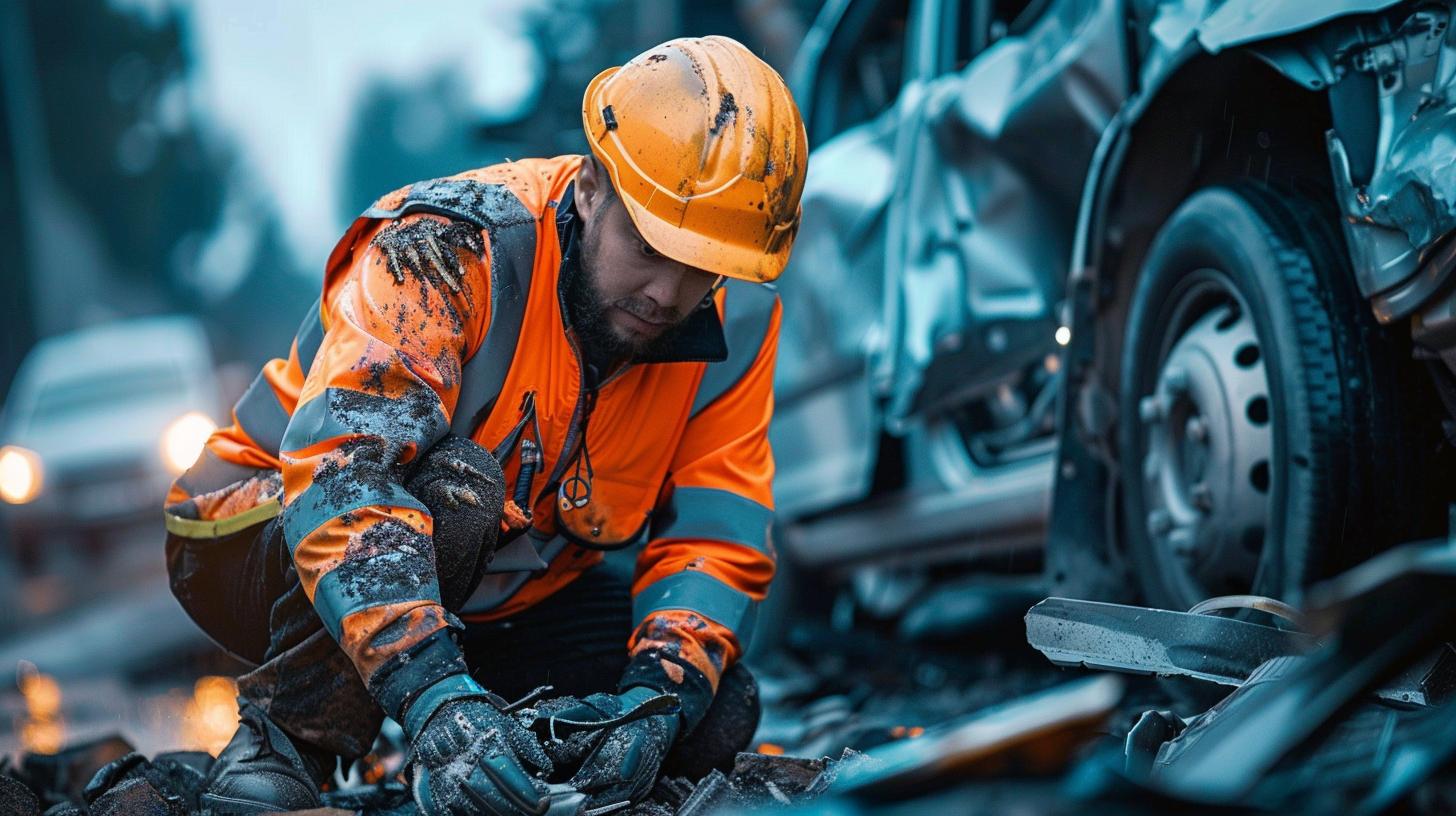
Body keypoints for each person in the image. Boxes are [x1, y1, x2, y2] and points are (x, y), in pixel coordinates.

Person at [161, 35, 806, 815]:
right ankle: (283, 745)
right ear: (594, 187)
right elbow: (340, 474)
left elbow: (716, 534)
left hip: (487, 581)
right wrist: (435, 701)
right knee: (457, 491)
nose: (668, 295)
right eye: (649, 247)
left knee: (710, 708)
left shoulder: (735, 323)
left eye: (701, 267)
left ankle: (496, 760)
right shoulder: (449, 246)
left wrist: (654, 697)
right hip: (256, 528)